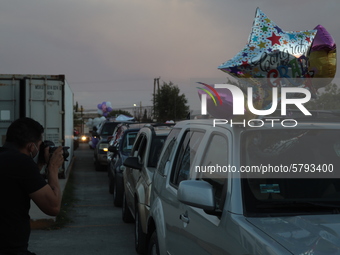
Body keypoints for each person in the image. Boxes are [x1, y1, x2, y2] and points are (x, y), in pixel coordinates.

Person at [0, 117, 64, 255]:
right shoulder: (22, 163)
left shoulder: (7, 159)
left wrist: (38, 165)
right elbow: (53, 207)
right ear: (31, 146)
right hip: (10, 249)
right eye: (39, 146)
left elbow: (21, 182)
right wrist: (52, 168)